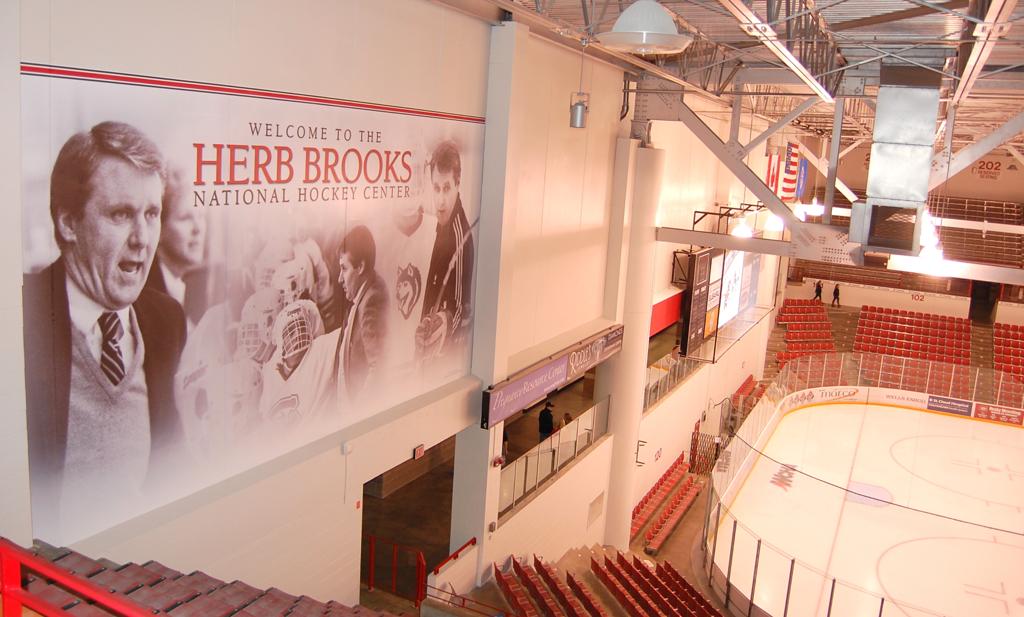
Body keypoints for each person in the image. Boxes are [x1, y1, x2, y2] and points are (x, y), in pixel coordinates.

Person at [22, 121, 186, 531]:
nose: (143, 238)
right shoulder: (20, 321)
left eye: (152, 214)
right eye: (121, 214)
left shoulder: (166, 322)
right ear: (68, 224)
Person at [416, 141, 474, 361]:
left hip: (442, 358)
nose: (440, 200)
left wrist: (443, 321)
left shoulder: (460, 236)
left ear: (458, 184)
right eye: (436, 188)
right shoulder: (441, 224)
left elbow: (460, 310)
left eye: (447, 188)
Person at [145, 166, 209, 328]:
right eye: (185, 218)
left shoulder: (193, 287)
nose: (198, 229)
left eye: (201, 216)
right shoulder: (144, 295)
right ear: (159, 230)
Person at [336, 225, 388, 400]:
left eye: (344, 269)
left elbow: (379, 368)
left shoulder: (371, 302)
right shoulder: (367, 292)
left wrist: (358, 412)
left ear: (360, 267)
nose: (339, 279)